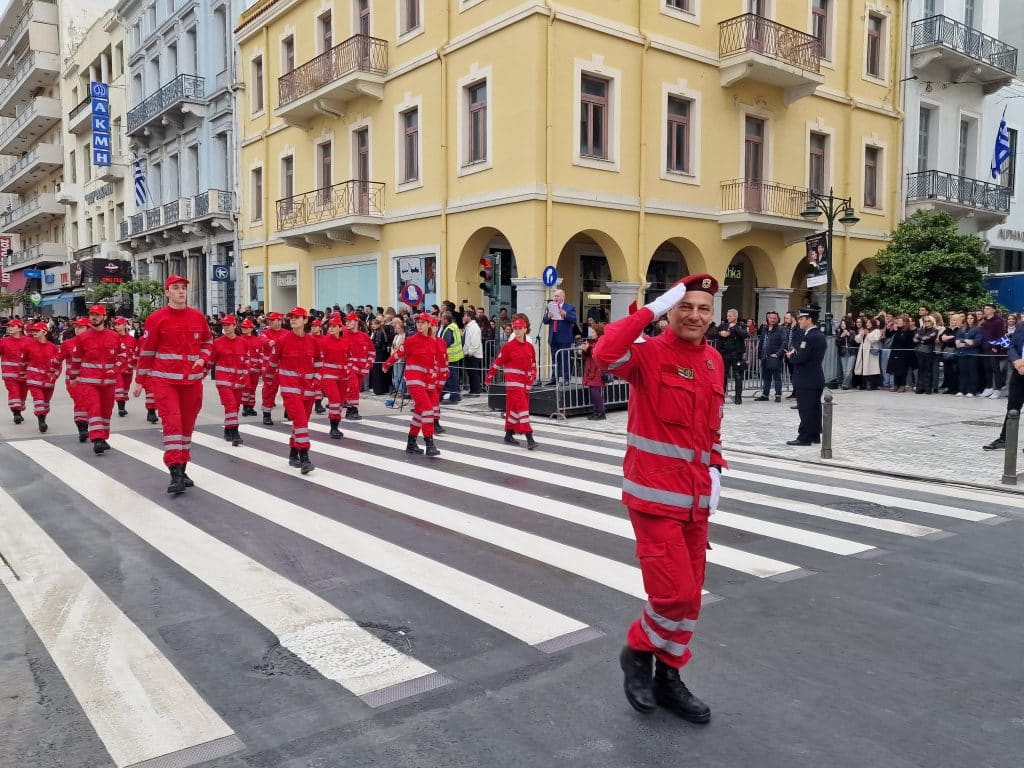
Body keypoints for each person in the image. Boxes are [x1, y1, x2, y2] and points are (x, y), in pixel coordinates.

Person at [591, 274, 723, 723]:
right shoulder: (648, 355)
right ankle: (637, 650)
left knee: (691, 601)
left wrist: (716, 467)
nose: (695, 316)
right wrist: (648, 308)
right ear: (670, 310)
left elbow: (710, 428)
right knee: (674, 593)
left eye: (703, 308)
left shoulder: (713, 362)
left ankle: (669, 678)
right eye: (685, 306)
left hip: (696, 499)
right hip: (653, 496)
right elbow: (604, 354)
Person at [133, 275, 213, 494]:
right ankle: (175, 472)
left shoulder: (197, 317)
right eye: (175, 288)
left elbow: (207, 342)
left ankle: (183, 467)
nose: (180, 291)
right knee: (173, 425)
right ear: (167, 292)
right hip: (165, 381)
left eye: (183, 288)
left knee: (187, 427)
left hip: (192, 382)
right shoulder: (156, 318)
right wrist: (140, 380)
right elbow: (147, 351)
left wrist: (203, 358)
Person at [270, 307, 320, 474]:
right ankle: (304, 457)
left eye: (297, 317)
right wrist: (270, 381)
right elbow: (272, 362)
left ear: (305, 320)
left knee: (302, 423)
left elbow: (319, 363)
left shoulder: (312, 341)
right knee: (300, 421)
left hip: (308, 390)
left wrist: (317, 382)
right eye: (291, 317)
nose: (293, 320)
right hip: (290, 389)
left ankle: (293, 454)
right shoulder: (283, 340)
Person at [383, 313, 440, 456]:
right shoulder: (411, 340)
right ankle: (429, 443)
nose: (419, 325)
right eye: (418, 322)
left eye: (423, 322)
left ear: (429, 325)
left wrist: (435, 378)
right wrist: (387, 364)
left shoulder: (433, 342)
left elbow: (435, 363)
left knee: (420, 413)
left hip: (428, 382)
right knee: (428, 410)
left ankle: (411, 442)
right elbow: (398, 353)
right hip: (414, 381)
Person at [72, 305, 123, 455]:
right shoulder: (82, 338)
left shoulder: (114, 336)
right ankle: (97, 439)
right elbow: (76, 360)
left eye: (97, 315)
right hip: (89, 382)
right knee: (94, 409)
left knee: (106, 411)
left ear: (104, 317)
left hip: (108, 382)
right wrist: (73, 377)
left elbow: (123, 356)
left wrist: (116, 369)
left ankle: (103, 437)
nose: (94, 317)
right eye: (91, 315)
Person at [485, 315, 539, 448]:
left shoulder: (529, 347)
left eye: (520, 328)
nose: (518, 331)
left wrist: (533, 377)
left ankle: (508, 434)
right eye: (516, 328)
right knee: (522, 409)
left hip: (525, 383)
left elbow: (533, 364)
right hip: (513, 384)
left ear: (525, 329)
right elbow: (498, 362)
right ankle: (529, 437)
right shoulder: (509, 346)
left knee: (514, 409)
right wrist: (489, 377)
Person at [785, 306, 826, 446]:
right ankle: (814, 435)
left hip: (806, 379)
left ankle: (804, 437)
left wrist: (792, 356)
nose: (800, 321)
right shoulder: (818, 335)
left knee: (806, 409)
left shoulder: (810, 336)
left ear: (809, 319)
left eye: (802, 318)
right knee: (814, 409)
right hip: (814, 378)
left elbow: (801, 358)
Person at [983, 317, 1024, 450]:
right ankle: (1005, 439)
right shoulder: (1021, 326)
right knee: (1012, 407)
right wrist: (1017, 361)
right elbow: (1012, 346)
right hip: (1019, 371)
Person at [209, 315, 249, 447]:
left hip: (238, 381)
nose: (225, 327)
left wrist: (245, 376)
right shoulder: (218, 342)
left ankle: (227, 429)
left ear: (234, 326)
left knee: (234, 407)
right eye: (224, 325)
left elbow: (246, 361)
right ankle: (234, 432)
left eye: (228, 325)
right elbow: (210, 360)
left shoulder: (242, 342)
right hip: (223, 381)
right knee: (231, 405)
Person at [52, 317, 92, 442]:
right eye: (76, 327)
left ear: (89, 329)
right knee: (80, 402)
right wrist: (52, 371)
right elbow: (58, 359)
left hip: (92, 380)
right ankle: (82, 428)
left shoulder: (95, 343)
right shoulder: (68, 344)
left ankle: (89, 426)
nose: (77, 330)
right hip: (73, 380)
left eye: (81, 327)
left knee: (91, 403)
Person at [319, 314, 351, 439]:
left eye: (334, 326)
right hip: (329, 376)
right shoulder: (324, 341)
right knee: (335, 400)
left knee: (341, 402)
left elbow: (349, 357)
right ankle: (333, 427)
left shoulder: (345, 342)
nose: (331, 328)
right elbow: (319, 358)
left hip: (343, 376)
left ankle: (336, 425)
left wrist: (348, 371)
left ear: (340, 328)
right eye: (329, 326)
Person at [24, 322, 58, 433]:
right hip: (33, 379)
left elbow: (57, 363)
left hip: (49, 380)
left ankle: (43, 416)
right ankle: (41, 420)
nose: (33, 332)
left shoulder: (53, 347)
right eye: (32, 330)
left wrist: (55, 375)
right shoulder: (29, 346)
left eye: (36, 330)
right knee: (38, 400)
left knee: (46, 402)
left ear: (44, 332)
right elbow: (23, 360)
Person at [259, 312, 288, 425]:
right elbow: (262, 339)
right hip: (270, 368)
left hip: (285, 367)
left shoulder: (287, 333)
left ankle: (289, 411)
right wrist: (268, 342)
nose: (270, 321)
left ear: (280, 321)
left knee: (288, 391)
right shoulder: (266, 332)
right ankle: (267, 414)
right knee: (269, 391)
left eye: (273, 320)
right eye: (269, 320)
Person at [543, 288, 577, 385]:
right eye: (555, 296)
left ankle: (566, 379)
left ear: (563, 297)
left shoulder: (569, 307)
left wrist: (565, 314)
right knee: (554, 359)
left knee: (565, 358)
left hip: (565, 338)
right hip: (553, 337)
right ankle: (554, 378)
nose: (555, 298)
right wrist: (548, 316)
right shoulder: (550, 307)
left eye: (557, 296)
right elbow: (545, 321)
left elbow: (574, 319)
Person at [714, 309, 748, 405]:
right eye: (727, 315)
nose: (728, 317)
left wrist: (735, 328)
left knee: (738, 376)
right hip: (724, 354)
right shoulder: (723, 325)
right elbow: (712, 333)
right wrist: (721, 333)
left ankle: (738, 397)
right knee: (723, 375)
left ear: (735, 317)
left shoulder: (741, 326)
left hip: (737, 354)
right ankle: (722, 396)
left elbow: (745, 334)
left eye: (730, 316)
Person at [343, 312, 372, 420]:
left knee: (357, 388)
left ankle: (350, 409)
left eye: (350, 321)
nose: (347, 323)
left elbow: (372, 352)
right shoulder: (343, 335)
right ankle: (352, 409)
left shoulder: (364, 336)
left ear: (356, 322)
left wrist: (369, 363)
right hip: (349, 367)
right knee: (353, 386)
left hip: (361, 368)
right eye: (346, 321)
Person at [0, 318, 29, 423]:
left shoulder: (29, 341)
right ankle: (16, 413)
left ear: (20, 328)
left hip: (25, 374)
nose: (10, 328)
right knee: (14, 392)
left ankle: (19, 410)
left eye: (13, 326)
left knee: (22, 394)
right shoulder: (3, 341)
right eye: (9, 326)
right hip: (10, 374)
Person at [753, 311, 784, 402]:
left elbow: (784, 343)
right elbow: (761, 342)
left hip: (775, 357)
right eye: (771, 318)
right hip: (764, 356)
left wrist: (778, 354)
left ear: (778, 319)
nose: (773, 320)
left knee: (777, 377)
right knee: (766, 377)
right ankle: (765, 395)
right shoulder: (764, 329)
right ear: (768, 318)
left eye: (775, 318)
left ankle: (778, 395)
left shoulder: (781, 329)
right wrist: (759, 354)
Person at [581, 322, 606, 420]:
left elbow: (596, 352)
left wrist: (588, 348)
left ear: (598, 333)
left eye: (594, 331)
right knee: (593, 391)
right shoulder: (594, 343)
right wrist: (585, 349)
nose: (592, 333)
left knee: (595, 390)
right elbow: (586, 356)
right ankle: (596, 411)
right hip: (592, 369)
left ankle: (601, 412)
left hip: (597, 369)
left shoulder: (600, 342)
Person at [112, 317, 137, 417]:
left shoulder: (131, 339)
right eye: (115, 325)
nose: (117, 327)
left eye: (119, 324)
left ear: (124, 325)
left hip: (128, 368)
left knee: (126, 388)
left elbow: (135, 352)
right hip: (117, 368)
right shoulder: (113, 338)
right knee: (120, 387)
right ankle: (120, 408)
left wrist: (135, 364)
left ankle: (123, 406)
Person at [885, 314, 916, 393]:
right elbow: (888, 335)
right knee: (895, 368)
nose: (897, 322)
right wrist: (889, 328)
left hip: (904, 353)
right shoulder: (897, 330)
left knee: (902, 370)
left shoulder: (909, 332)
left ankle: (902, 385)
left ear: (905, 323)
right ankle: (896, 385)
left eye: (899, 321)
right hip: (895, 351)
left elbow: (904, 340)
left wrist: (897, 331)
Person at [955, 313, 983, 397]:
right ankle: (962, 389)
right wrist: (966, 340)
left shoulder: (978, 329)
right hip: (962, 353)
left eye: (971, 318)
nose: (969, 320)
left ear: (974, 319)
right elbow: (957, 339)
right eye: (968, 318)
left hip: (972, 353)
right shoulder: (962, 328)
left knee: (972, 372)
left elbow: (977, 341)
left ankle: (971, 390)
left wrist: (964, 344)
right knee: (963, 372)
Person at [440, 311, 464, 402]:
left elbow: (446, 342)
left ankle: (454, 395)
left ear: (446, 320)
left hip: (450, 356)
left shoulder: (449, 328)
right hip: (455, 355)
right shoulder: (454, 326)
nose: (440, 320)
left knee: (451, 377)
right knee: (453, 376)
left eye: (442, 318)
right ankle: (455, 394)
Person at [240, 318, 262, 416]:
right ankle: (245, 407)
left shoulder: (257, 340)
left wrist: (259, 364)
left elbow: (262, 353)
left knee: (253, 388)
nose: (243, 329)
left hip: (255, 369)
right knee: (246, 387)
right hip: (245, 369)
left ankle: (250, 407)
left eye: (245, 327)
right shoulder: (239, 340)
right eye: (242, 327)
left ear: (251, 328)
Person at [913, 316, 938, 394]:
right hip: (919, 352)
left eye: (928, 321)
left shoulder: (935, 330)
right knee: (920, 370)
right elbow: (914, 339)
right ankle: (920, 388)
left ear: (932, 322)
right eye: (925, 321)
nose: (926, 322)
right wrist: (922, 339)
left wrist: (920, 338)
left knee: (928, 370)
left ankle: (928, 389)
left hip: (928, 352)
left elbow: (928, 339)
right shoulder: (920, 329)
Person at [462, 310, 484, 396]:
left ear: (469, 317)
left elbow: (475, 343)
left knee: (474, 373)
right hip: (469, 354)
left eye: (464, 316)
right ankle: (472, 390)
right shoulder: (469, 327)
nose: (463, 318)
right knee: (470, 373)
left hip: (473, 354)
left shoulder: (474, 327)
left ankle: (476, 391)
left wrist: (469, 352)